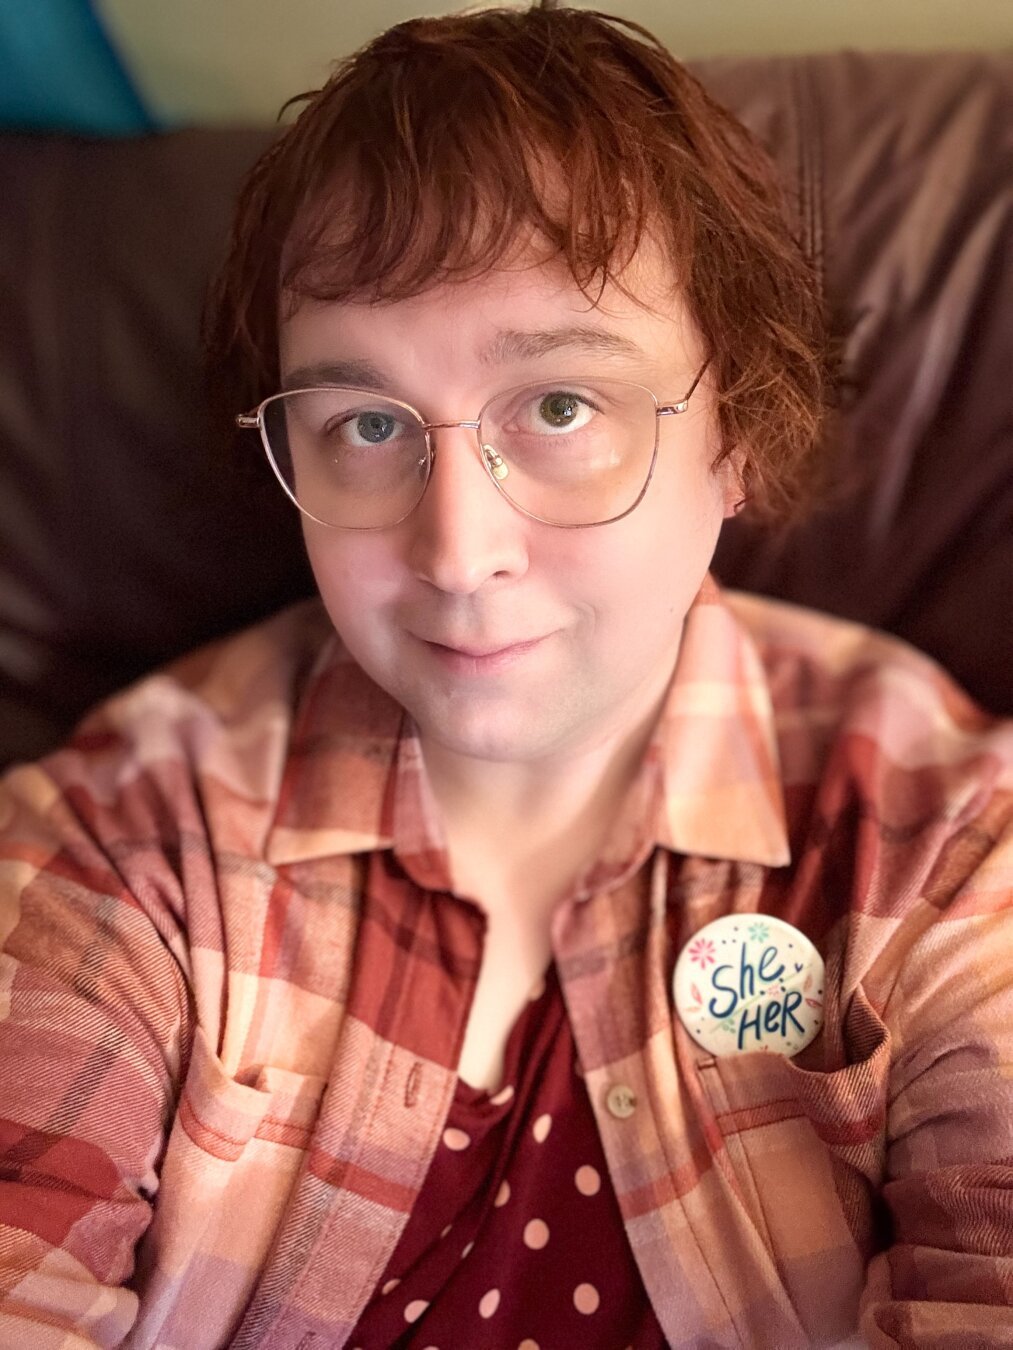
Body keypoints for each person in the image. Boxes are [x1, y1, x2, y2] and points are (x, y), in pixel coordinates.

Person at [1, 5, 1010, 1347]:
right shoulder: (125, 836)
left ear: (736, 436)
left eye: (558, 406)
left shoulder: (947, 834)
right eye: (365, 422)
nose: (455, 551)